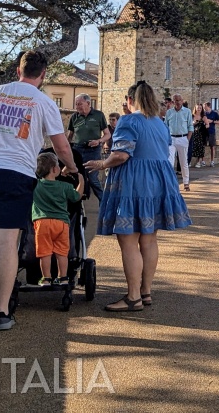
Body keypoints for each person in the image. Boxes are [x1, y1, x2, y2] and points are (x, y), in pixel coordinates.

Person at [0, 49, 77, 331]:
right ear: (43, 74)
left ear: (18, 71)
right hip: (16, 173)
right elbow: (61, 146)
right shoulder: (43, 102)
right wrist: (72, 168)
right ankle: (1, 313)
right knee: (6, 243)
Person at [84, 81, 192, 312]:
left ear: (130, 100)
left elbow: (122, 154)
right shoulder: (159, 123)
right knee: (149, 238)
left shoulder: (128, 120)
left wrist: (102, 163)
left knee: (129, 240)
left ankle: (133, 297)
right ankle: (145, 291)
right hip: (158, 183)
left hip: (135, 183)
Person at [32, 152, 82, 286]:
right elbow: (76, 196)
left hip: (42, 222)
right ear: (55, 169)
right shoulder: (64, 186)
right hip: (61, 223)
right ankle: (63, 278)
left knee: (45, 252)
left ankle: (46, 278)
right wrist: (81, 180)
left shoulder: (36, 185)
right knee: (61, 252)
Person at [68, 94, 109, 200]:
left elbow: (107, 134)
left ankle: (104, 202)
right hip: (77, 149)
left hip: (93, 150)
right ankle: (78, 201)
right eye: (76, 104)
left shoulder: (98, 115)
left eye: (80, 104)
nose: (77, 106)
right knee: (77, 175)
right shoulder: (74, 117)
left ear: (88, 103)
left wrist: (98, 141)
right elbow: (70, 136)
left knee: (92, 178)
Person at [165, 95, 193, 191]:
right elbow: (165, 126)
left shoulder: (187, 112)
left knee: (183, 162)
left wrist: (187, 139)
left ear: (182, 101)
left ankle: (186, 183)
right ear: (173, 101)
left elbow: (190, 126)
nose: (177, 102)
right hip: (171, 138)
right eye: (175, 100)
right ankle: (169, 183)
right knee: (170, 161)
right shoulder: (169, 112)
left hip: (183, 138)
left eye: (179, 100)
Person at [203, 102, 219, 166]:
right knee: (203, 146)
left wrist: (212, 121)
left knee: (212, 146)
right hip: (204, 131)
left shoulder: (214, 113)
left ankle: (212, 161)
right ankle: (203, 161)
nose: (204, 108)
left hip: (211, 131)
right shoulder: (203, 113)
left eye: (205, 106)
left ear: (208, 106)